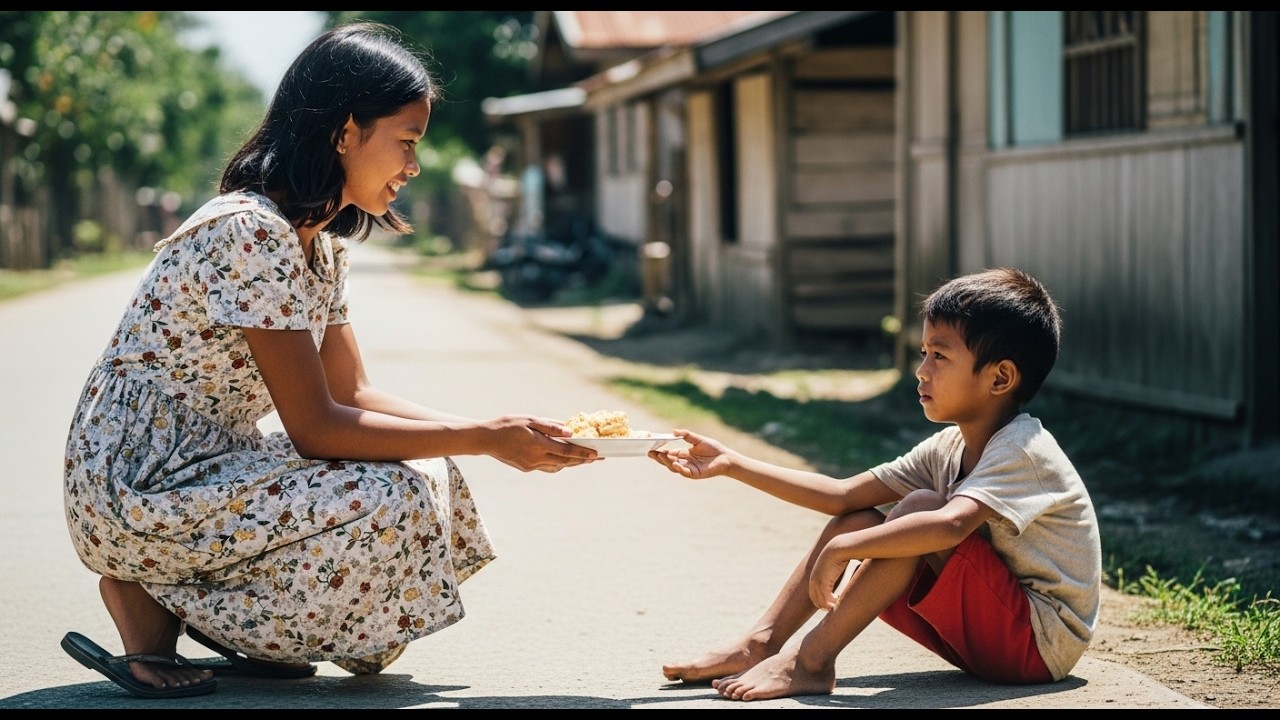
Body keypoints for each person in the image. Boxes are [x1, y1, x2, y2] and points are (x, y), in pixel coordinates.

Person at [60, 21, 599, 699]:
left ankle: (236, 625)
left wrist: (495, 429)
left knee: (430, 470)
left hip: (206, 462)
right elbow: (317, 427)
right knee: (388, 493)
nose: (413, 166)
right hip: (139, 482)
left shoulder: (320, 246)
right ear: (346, 132)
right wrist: (487, 441)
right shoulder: (251, 230)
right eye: (405, 142)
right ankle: (159, 594)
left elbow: (355, 393)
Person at [649, 267, 1101, 701]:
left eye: (939, 356)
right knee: (860, 518)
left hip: (1037, 647)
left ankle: (811, 661)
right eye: (924, 353)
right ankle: (761, 642)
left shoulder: (1022, 448)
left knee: (920, 509)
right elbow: (843, 495)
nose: (922, 370)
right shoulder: (948, 446)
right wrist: (732, 463)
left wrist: (843, 551)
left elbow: (948, 528)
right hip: (990, 633)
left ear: (1000, 377)